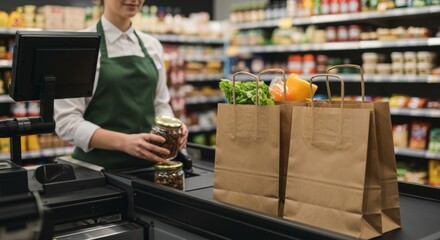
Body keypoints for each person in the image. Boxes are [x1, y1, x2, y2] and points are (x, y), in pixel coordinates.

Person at [54, 0, 188, 170]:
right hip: (96, 172)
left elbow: (160, 104)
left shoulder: (152, 45)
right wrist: (124, 142)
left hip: (150, 168)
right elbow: (66, 122)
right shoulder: (79, 46)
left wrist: (172, 127)